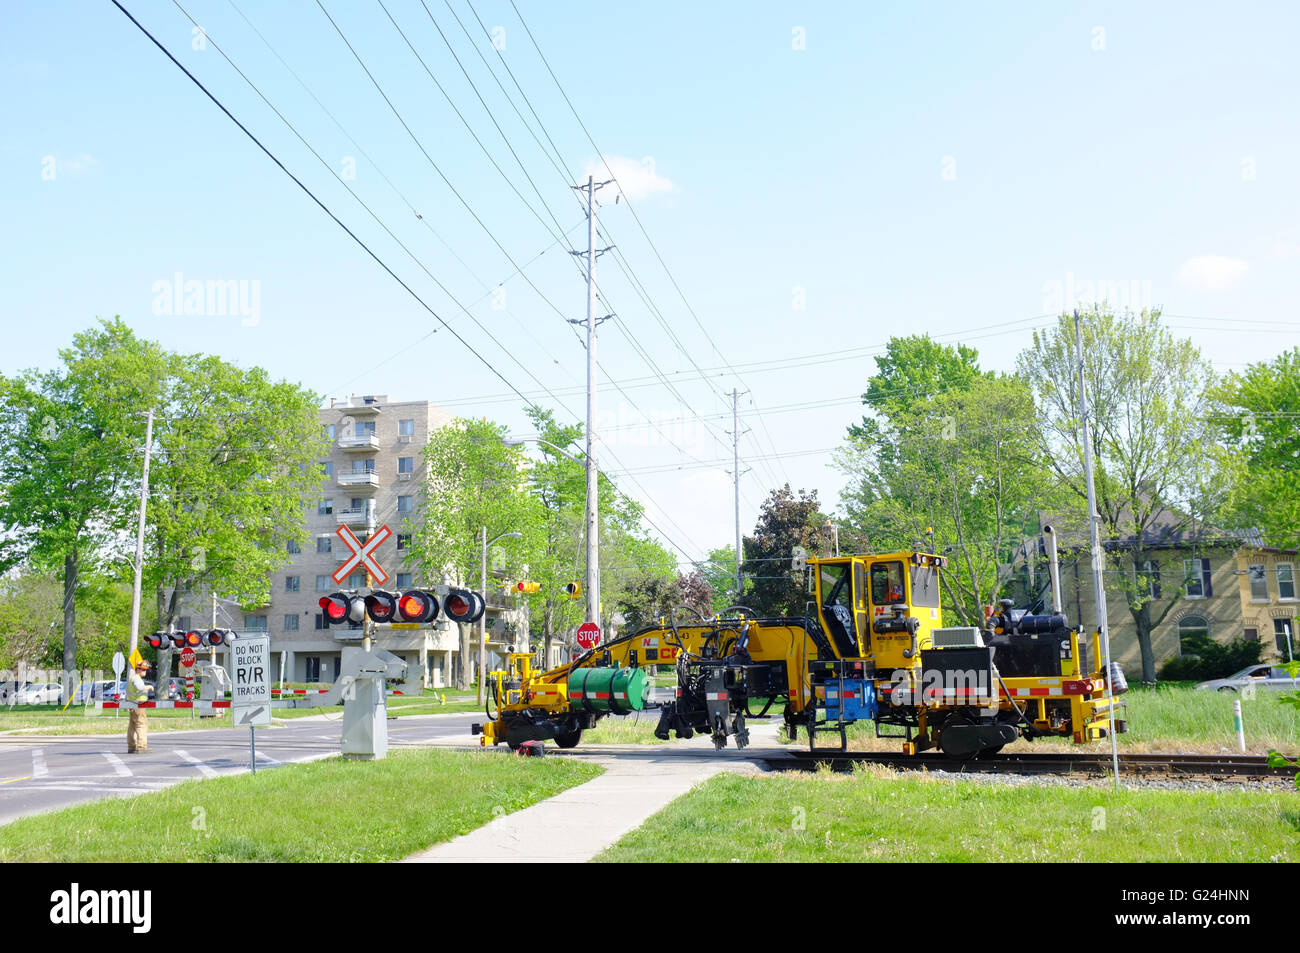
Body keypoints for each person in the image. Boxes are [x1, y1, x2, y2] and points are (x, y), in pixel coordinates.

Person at [127, 660, 152, 754]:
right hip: (139, 705)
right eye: (144, 670)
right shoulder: (137, 678)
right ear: (138, 669)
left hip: (132, 704)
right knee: (141, 724)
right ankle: (141, 746)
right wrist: (149, 687)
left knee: (132, 726)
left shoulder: (133, 678)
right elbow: (140, 688)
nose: (145, 672)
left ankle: (132, 746)